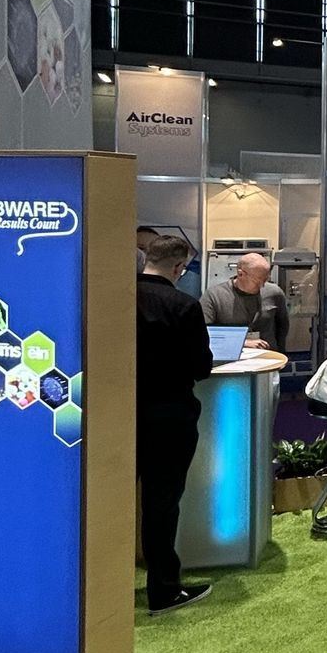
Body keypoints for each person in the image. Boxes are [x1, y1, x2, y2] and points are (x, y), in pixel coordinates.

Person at [136, 234, 215, 615]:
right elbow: (201, 366)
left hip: (118, 417)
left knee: (107, 502)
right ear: (179, 267)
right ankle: (164, 590)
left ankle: (99, 588)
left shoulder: (115, 297)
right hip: (169, 418)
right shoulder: (183, 306)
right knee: (161, 505)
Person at [200, 250, 289, 353]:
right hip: (231, 357)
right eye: (257, 281)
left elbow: (282, 327)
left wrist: (280, 354)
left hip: (268, 356)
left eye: (265, 280)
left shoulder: (274, 292)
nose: (262, 285)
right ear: (240, 274)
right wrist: (242, 343)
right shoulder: (214, 296)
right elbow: (203, 333)